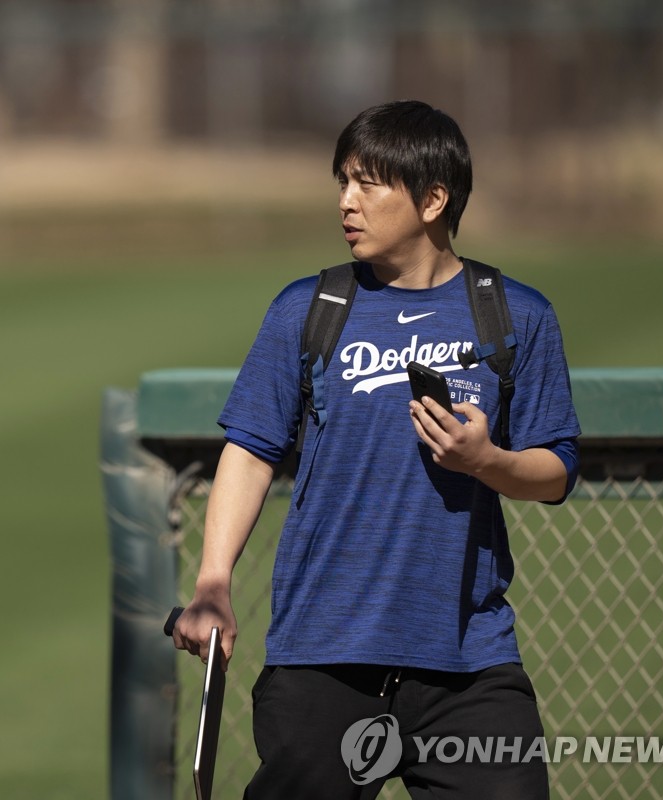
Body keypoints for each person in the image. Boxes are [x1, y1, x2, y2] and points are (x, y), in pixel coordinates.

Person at [170, 100, 581, 799]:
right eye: (342, 182)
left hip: (467, 663)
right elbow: (250, 447)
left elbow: (556, 471)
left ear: (433, 199)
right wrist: (213, 583)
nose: (346, 202)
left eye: (368, 183)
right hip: (323, 660)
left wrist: (488, 461)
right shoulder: (308, 309)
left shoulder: (517, 317)